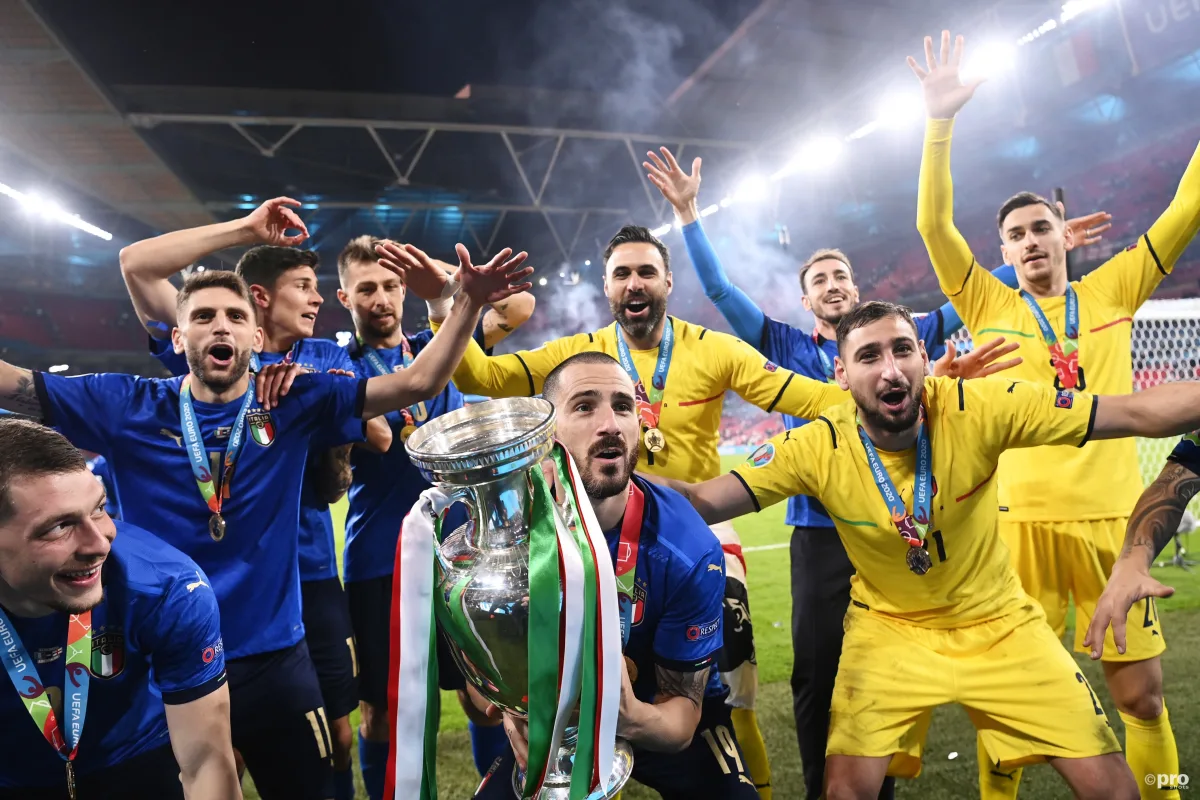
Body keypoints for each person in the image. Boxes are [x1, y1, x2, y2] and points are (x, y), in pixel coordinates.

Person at [642, 145, 1110, 800]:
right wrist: (689, 215)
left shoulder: (902, 333)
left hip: (906, 524)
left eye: (842, 276)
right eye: (820, 280)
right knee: (819, 677)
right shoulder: (785, 346)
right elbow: (720, 292)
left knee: (895, 665)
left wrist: (1036, 253)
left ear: (856, 290)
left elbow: (966, 296)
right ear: (806, 300)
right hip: (821, 528)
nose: (833, 284)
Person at [0, 249, 531, 800]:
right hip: (164, 655)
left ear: (257, 338)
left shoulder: (293, 400)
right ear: (178, 340)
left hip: (275, 656)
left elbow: (417, 382)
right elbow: (13, 383)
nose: (219, 326)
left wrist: (464, 300)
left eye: (234, 317)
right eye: (202, 317)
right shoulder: (125, 403)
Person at [650, 299, 1200, 800]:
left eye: (903, 349)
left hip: (999, 621)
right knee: (844, 793)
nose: (890, 369)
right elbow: (701, 500)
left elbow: (1135, 412)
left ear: (923, 357)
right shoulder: (815, 445)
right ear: (840, 374)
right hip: (889, 629)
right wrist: (595, 475)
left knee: (1115, 791)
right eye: (868, 356)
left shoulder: (980, 406)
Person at [908, 30, 1200, 800]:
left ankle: (1164, 792)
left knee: (1140, 697)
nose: (1031, 241)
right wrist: (939, 122)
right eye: (1015, 234)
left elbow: (1190, 203)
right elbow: (934, 229)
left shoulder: (1115, 291)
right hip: (1018, 529)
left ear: (1062, 233)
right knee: (1007, 717)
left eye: (1041, 227)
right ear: (1002, 250)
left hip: (1113, 523)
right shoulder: (988, 301)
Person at [119, 199, 400, 798]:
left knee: (335, 738)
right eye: (304, 285)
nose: (318, 299)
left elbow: (378, 433)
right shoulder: (212, 346)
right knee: (219, 748)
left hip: (310, 574)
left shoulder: (324, 357)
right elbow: (138, 266)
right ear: (263, 299)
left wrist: (309, 390)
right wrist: (244, 230)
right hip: (219, 587)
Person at [473, 351, 759, 799]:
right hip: (555, 716)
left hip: (657, 709)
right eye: (585, 406)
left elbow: (681, 722)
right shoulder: (504, 533)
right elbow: (477, 701)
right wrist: (514, 703)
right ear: (545, 432)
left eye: (623, 407)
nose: (610, 424)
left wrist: (623, 714)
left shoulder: (687, 548)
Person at [334, 235, 533, 799]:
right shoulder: (339, 370)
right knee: (384, 711)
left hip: (460, 556)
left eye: (392, 284)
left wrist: (440, 279)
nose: (381, 297)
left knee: (486, 700)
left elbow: (519, 307)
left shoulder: (441, 342)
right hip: (381, 561)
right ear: (344, 295)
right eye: (366, 287)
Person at [0, 418, 239, 799]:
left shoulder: (167, 587)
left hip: (134, 761)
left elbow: (206, 762)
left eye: (98, 508)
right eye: (59, 526)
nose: (100, 543)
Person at [85, 454, 121, 519]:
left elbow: (90, 472)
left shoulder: (101, 462)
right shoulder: (100, 461)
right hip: (113, 501)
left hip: (115, 502)